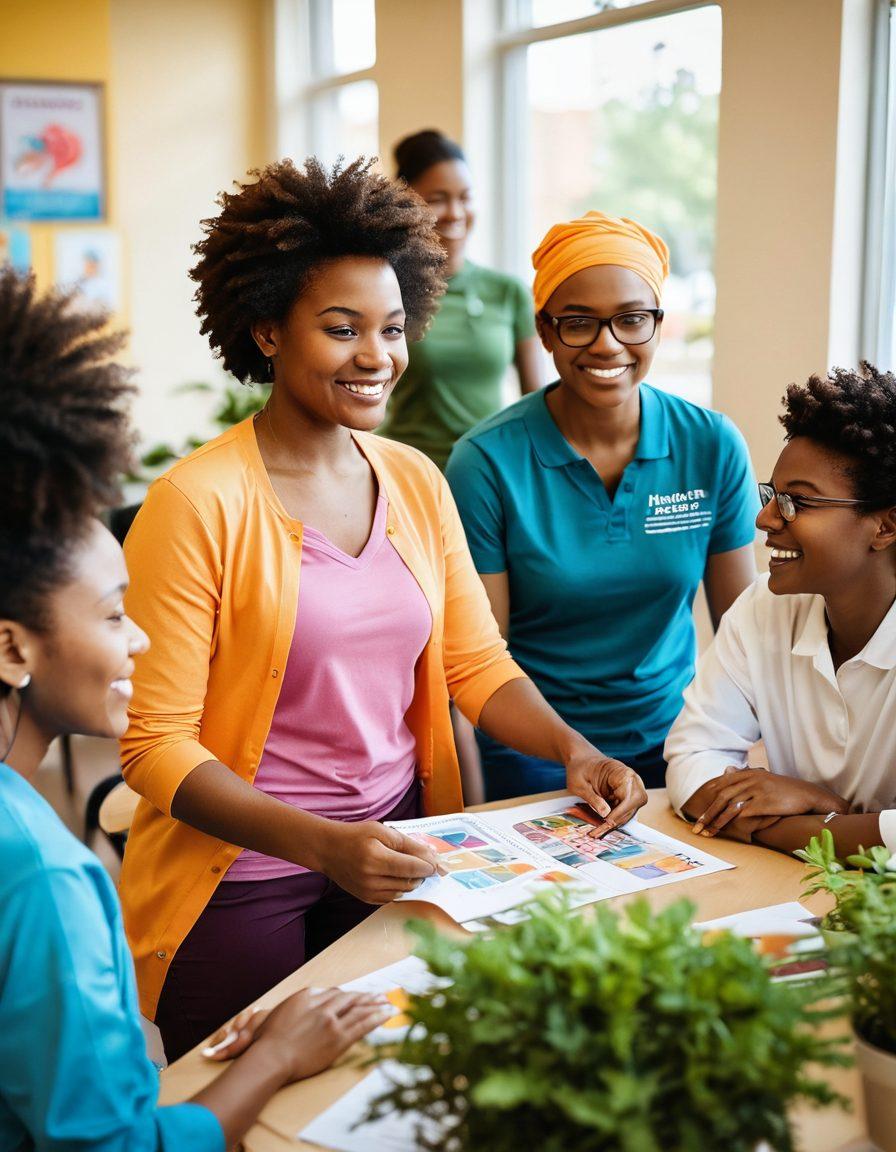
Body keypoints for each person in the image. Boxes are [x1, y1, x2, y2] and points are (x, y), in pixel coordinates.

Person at [118, 158, 648, 1064]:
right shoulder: (195, 503)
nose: (377, 357)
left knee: (400, 1090)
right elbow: (153, 743)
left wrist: (574, 749)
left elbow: (474, 665)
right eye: (341, 328)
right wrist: (322, 846)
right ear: (267, 331)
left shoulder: (412, 478)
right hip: (241, 874)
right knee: (261, 1101)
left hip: (395, 846)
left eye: (394, 329)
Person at [0, 266, 391, 1152]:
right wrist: (277, 1056)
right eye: (113, 615)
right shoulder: (45, 876)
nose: (138, 641)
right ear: (13, 648)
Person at [446, 210, 758, 801]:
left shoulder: (711, 445)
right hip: (536, 752)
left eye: (632, 320)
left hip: (681, 743)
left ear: (658, 325)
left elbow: (746, 631)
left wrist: (744, 753)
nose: (607, 343)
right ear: (543, 330)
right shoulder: (486, 463)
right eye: (579, 323)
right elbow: (479, 658)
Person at [665, 364, 896, 858]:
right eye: (774, 495)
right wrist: (834, 815)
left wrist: (819, 820)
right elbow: (691, 758)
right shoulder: (764, 606)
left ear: (885, 527)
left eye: (799, 503)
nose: (765, 518)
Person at [378, 129, 542, 470]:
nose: (455, 212)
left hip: (489, 473)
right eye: (438, 198)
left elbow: (536, 403)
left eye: (465, 197)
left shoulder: (508, 292)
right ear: (407, 204)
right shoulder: (388, 288)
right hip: (409, 472)